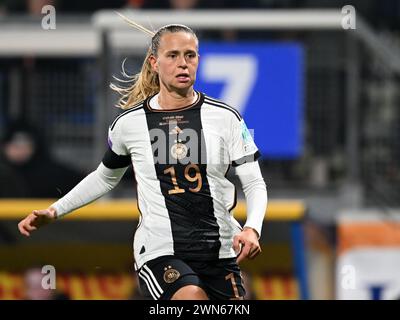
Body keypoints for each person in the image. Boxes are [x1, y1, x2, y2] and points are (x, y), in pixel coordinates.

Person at [18, 18, 268, 300]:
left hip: (219, 251)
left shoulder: (227, 118)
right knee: (190, 297)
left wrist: (252, 228)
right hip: (160, 250)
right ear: (154, 62)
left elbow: (254, 181)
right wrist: (54, 211)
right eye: (172, 56)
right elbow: (105, 177)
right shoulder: (129, 124)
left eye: (190, 55)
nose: (182, 63)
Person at [0, 120, 83, 198]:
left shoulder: (52, 174)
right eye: (15, 145)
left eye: (26, 145)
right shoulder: (4, 174)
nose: (21, 150)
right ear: (4, 146)